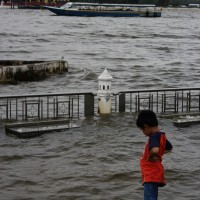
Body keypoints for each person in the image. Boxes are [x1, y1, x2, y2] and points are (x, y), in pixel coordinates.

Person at [136, 110, 173, 200]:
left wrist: (151, 156)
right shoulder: (161, 136)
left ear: (146, 127)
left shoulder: (153, 137)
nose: (142, 132)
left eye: (141, 130)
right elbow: (169, 148)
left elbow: (155, 150)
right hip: (155, 173)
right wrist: (160, 153)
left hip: (151, 174)